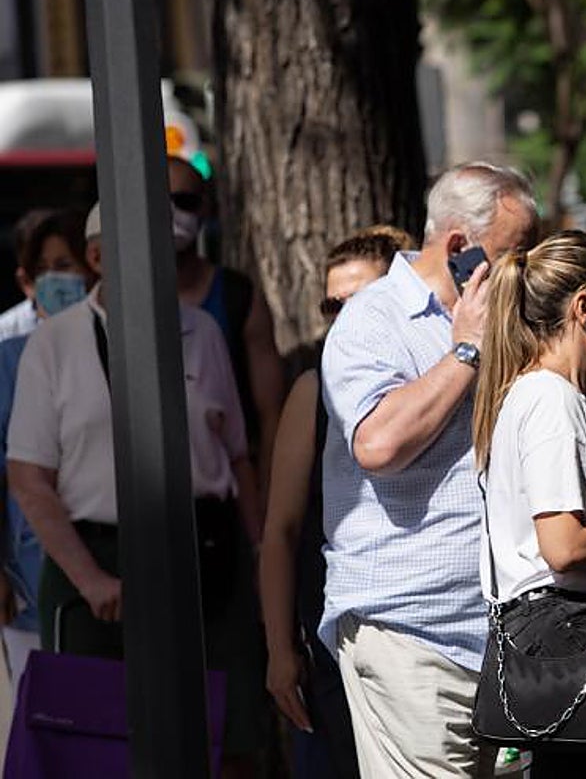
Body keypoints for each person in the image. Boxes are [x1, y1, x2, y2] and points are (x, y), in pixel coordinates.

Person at [5, 202, 266, 774]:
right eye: (142, 253)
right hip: (97, 558)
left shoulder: (204, 331)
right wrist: (90, 578)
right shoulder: (54, 345)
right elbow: (29, 480)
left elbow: (237, 456)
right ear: (96, 257)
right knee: (97, 745)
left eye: (168, 253)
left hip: (210, 553)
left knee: (231, 735)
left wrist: (260, 560)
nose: (161, 266)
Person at [321, 162, 537, 778]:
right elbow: (379, 445)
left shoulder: (507, 316)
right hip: (413, 637)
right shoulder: (372, 320)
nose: (523, 268)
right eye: (514, 253)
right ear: (460, 247)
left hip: (503, 636)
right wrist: (466, 352)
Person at [472, 229, 586, 778]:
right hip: (565, 630)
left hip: (552, 631)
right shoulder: (548, 399)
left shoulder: (537, 395)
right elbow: (563, 545)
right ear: (585, 309)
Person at [261, 227, 413, 779]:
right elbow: (280, 528)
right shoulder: (313, 391)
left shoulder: (441, 378)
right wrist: (280, 650)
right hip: (335, 640)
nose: (346, 316)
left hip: (428, 632)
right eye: (334, 304)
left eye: (363, 299)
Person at [0, 210, 94, 684]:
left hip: (113, 572)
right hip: (29, 579)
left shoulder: (121, 348)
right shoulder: (8, 360)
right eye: (47, 268)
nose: (60, 279)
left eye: (69, 263)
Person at [169, 155, 286, 493]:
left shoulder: (238, 296)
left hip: (231, 489)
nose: (171, 213)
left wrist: (268, 503)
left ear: (204, 209)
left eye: (184, 201)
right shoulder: (119, 301)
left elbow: (271, 414)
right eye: (159, 201)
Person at [0, 210, 55, 341]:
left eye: (64, 265)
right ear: (25, 280)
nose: (54, 275)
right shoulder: (5, 333)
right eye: (42, 268)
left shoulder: (103, 321)